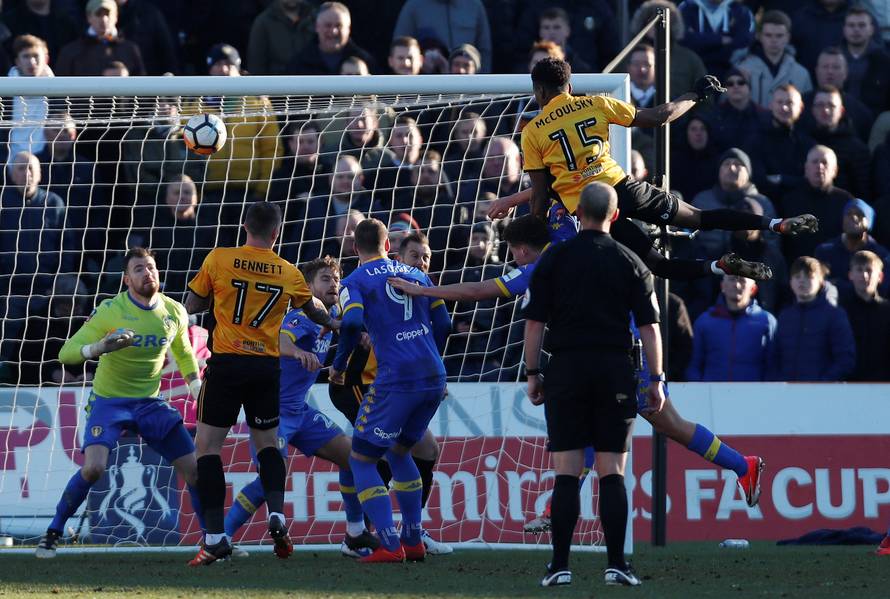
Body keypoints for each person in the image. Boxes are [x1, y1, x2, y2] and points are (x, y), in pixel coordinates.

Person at [389, 214, 765, 527]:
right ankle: (741, 465)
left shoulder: (539, 269)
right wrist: (513, 202)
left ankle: (739, 465)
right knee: (649, 426)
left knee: (652, 428)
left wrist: (424, 292)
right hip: (622, 345)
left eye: (513, 253)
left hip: (621, 353)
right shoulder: (565, 232)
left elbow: (479, 291)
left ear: (520, 250)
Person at [488, 57, 807, 282]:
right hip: (624, 189)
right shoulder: (596, 104)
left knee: (657, 265)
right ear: (569, 86)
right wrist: (694, 95)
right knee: (698, 217)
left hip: (594, 212)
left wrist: (537, 230)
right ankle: (776, 223)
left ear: (539, 91)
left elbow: (542, 193)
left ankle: (718, 266)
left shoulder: (532, 131)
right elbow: (658, 117)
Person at [183, 201, 340, 565]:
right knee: (268, 445)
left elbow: (193, 302)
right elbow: (313, 310)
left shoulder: (219, 259)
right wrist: (335, 325)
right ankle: (277, 513)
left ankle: (215, 537)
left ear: (244, 226)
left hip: (225, 365)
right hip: (265, 369)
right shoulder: (287, 272)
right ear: (276, 233)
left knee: (207, 448)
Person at [521, 182, 661, 587]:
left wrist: (533, 373)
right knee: (611, 472)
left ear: (578, 211)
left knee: (566, 473)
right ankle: (617, 564)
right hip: (615, 370)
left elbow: (535, 322)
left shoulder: (555, 258)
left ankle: (559, 566)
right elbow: (650, 329)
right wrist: (657, 380)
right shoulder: (631, 260)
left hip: (566, 369)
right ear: (616, 215)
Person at [35, 248, 204, 558]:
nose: (147, 273)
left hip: (150, 404)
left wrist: (195, 386)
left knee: (194, 470)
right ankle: (53, 532)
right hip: (109, 403)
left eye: (150, 267)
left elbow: (182, 352)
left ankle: (213, 540)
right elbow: (66, 354)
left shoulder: (174, 311)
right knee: (94, 469)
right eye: (138, 269)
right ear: (127, 279)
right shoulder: (110, 311)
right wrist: (100, 346)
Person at [223, 257, 378, 558]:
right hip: (272, 410)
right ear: (307, 288)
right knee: (270, 477)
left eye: (335, 278)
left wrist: (359, 341)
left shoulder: (335, 315)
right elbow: (279, 342)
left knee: (353, 458)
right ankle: (220, 538)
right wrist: (297, 352)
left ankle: (356, 534)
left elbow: (350, 330)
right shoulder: (301, 315)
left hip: (301, 412)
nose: (333, 283)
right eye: (324, 278)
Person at [329, 219, 450, 563]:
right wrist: (429, 355)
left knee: (362, 459)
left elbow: (351, 322)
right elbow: (443, 324)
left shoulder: (353, 281)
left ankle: (389, 544)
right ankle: (412, 540)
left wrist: (338, 366)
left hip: (397, 379)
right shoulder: (417, 274)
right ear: (388, 246)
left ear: (355, 248)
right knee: (399, 452)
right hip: (433, 375)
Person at [769, 256, 856, 381]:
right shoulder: (784, 316)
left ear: (821, 282)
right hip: (787, 395)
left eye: (809, 277)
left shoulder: (834, 315)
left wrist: (821, 384)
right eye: (797, 277)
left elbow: (845, 359)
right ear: (791, 282)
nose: (802, 281)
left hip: (822, 395)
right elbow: (775, 358)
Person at [687, 275, 777, 381]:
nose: (736, 285)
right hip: (712, 395)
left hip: (754, 395)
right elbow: (694, 365)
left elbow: (773, 367)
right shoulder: (704, 321)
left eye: (742, 281)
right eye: (732, 279)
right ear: (722, 286)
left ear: (753, 289)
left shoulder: (767, 321)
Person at [782, 145, 855, 261]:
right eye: (815, 162)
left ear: (835, 170)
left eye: (825, 163)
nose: (820, 166)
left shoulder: (846, 201)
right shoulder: (789, 201)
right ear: (806, 169)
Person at [731, 10, 812, 108]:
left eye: (779, 36)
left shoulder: (801, 74)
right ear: (759, 36)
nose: (774, 40)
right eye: (768, 35)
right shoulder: (742, 70)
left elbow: (807, 111)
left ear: (788, 37)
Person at [806, 86, 871, 198]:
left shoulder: (857, 149)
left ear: (841, 111)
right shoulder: (802, 142)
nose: (825, 110)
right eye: (820, 105)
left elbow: (863, 193)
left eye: (831, 105)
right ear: (813, 110)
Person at [815, 199, 890, 297]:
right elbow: (820, 285)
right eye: (849, 214)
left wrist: (838, 283)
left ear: (869, 221)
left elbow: (883, 289)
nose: (854, 217)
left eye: (860, 214)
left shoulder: (882, 255)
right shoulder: (824, 251)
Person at [393, 0, 492, 72]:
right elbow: (399, 47)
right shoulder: (414, 5)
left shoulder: (474, 5)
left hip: (469, 85)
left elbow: (485, 50)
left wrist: (481, 85)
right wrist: (420, 64)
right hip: (426, 87)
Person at [54, 0, 145, 76]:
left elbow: (142, 89)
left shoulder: (130, 49)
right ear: (89, 17)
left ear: (116, 17)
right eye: (98, 14)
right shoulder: (71, 51)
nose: (104, 19)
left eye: (108, 14)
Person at [287, 2, 377, 75]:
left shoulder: (366, 62)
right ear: (317, 27)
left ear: (349, 29)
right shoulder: (299, 64)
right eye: (328, 25)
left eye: (339, 26)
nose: (333, 31)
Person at [841, 250, 890, 382]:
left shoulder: (887, 311)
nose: (864, 275)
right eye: (859, 270)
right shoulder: (840, 311)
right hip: (847, 385)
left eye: (869, 270)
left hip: (883, 386)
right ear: (850, 275)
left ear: (880, 277)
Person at [677, 0, 756, 76]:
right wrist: (720, 40)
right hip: (692, 72)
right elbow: (683, 39)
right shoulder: (687, 7)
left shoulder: (741, 11)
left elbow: (743, 43)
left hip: (727, 75)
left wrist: (701, 42)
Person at [7, 35, 54, 162]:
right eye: (26, 56)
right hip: (7, 156)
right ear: (17, 61)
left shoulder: (58, 93)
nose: (32, 62)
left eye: (36, 56)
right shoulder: (4, 93)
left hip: (46, 157)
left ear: (46, 59)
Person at [247, 0, 316, 75]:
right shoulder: (263, 23)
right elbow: (256, 64)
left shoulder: (315, 18)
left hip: (311, 82)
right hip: (276, 83)